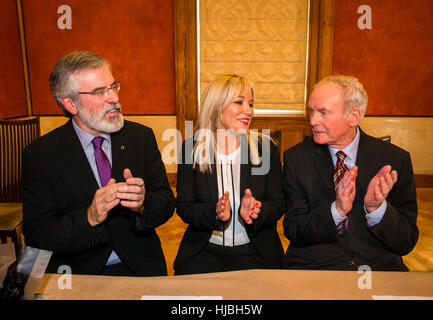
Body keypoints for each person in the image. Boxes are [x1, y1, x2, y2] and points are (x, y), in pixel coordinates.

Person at [22, 51, 175, 276]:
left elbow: (166, 204)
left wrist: (143, 204)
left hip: (140, 268)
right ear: (70, 104)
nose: (113, 97)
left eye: (113, 87)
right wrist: (89, 217)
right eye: (99, 91)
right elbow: (38, 235)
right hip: (78, 274)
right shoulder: (41, 156)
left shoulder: (140, 138)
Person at [282, 75, 418, 271]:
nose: (312, 120)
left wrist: (377, 209)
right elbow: (294, 230)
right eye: (311, 111)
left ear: (354, 116)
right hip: (316, 268)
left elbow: (406, 241)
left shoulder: (395, 160)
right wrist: (336, 210)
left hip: (377, 270)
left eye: (323, 112)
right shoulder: (297, 159)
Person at [173, 74, 285, 275]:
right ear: (216, 105)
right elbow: (184, 207)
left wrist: (257, 211)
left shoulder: (265, 149)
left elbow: (279, 203)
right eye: (239, 102)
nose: (248, 110)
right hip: (203, 252)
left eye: (251, 104)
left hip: (256, 252)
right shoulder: (191, 149)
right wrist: (214, 212)